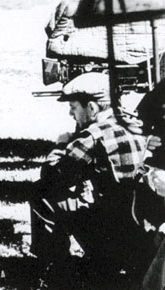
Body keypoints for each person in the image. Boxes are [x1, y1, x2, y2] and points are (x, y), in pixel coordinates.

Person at [29, 72, 155, 287]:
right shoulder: (136, 125)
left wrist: (61, 145)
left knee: (39, 191)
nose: (71, 113)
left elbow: (52, 174)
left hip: (112, 234)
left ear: (93, 108)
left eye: (74, 107)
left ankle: (54, 265)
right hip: (144, 233)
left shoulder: (93, 135)